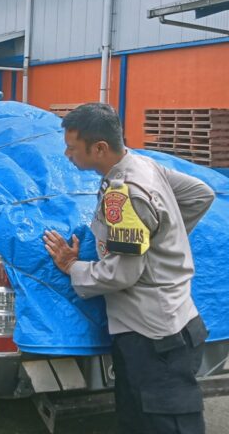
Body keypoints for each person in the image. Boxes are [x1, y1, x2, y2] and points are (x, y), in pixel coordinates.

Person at [43, 102, 215, 434]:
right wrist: (160, 242)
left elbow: (123, 273)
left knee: (168, 424)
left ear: (99, 148)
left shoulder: (125, 196)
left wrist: (72, 265)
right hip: (170, 324)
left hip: (154, 338)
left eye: (72, 148)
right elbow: (200, 195)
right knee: (137, 419)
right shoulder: (144, 165)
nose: (67, 155)